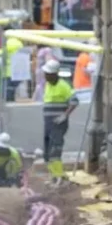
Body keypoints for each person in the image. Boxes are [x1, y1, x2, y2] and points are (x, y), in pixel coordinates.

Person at [41, 59, 79, 187]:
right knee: (47, 152)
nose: (45, 76)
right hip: (48, 124)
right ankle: (54, 176)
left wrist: (65, 115)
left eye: (47, 73)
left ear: (54, 74)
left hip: (58, 124)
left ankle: (60, 178)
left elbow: (74, 101)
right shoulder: (48, 85)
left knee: (55, 151)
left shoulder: (63, 86)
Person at [4, 35, 24, 101]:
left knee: (8, 90)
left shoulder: (8, 43)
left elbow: (1, 53)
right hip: (18, 71)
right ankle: (12, 101)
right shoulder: (20, 44)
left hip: (8, 71)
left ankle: (9, 103)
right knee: (12, 89)